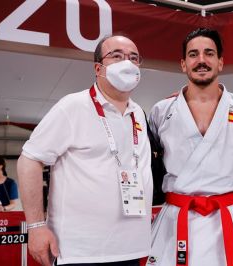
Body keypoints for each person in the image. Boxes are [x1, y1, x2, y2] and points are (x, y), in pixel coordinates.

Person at [17, 35, 153, 266]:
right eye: (117, 56)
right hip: (81, 251)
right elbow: (29, 160)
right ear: (98, 68)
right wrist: (36, 226)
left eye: (133, 58)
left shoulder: (138, 112)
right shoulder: (73, 106)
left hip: (131, 248)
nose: (127, 63)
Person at [146, 28, 233, 266]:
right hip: (176, 218)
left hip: (228, 217)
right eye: (193, 54)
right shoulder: (161, 111)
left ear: (220, 62)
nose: (201, 60)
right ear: (183, 64)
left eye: (209, 53)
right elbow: (147, 163)